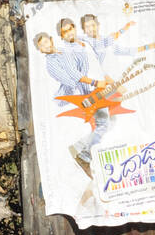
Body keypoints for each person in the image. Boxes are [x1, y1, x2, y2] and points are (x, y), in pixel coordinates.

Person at [35, 27, 111, 178]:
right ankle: (83, 155)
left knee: (105, 121)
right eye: (41, 46)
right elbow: (73, 77)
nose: (45, 46)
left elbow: (83, 66)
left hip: (87, 90)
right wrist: (96, 83)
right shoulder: (51, 64)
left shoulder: (65, 50)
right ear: (41, 51)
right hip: (76, 97)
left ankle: (81, 151)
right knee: (102, 122)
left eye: (45, 42)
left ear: (51, 39)